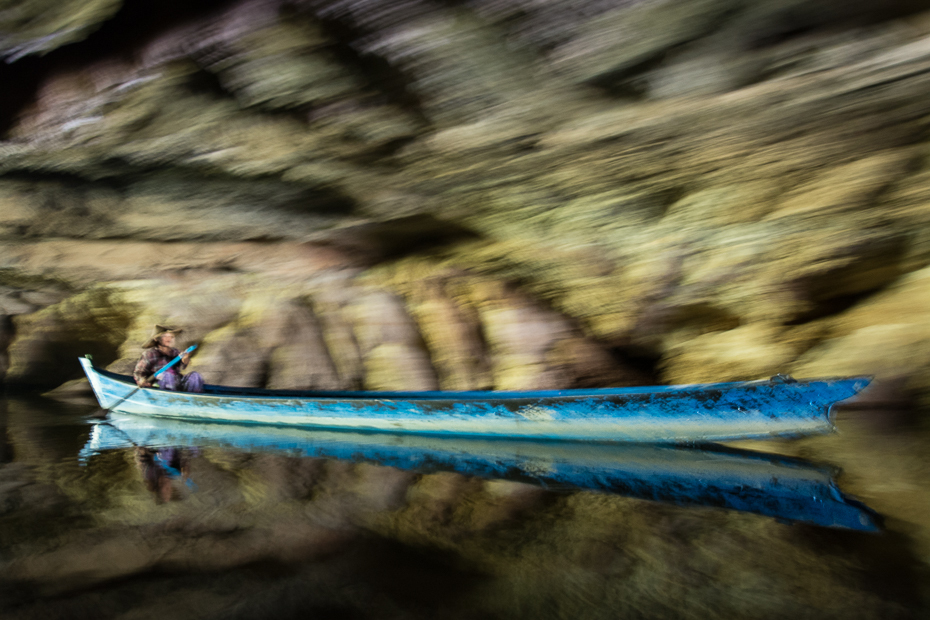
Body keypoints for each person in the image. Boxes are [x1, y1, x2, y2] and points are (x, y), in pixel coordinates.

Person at [133, 324, 204, 392]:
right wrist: (142, 380)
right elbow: (139, 372)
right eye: (165, 336)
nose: (169, 338)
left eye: (171, 336)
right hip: (158, 384)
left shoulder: (176, 352)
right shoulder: (149, 354)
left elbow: (183, 365)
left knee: (195, 376)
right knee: (166, 376)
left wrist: (185, 359)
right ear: (157, 339)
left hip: (176, 383)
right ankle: (171, 398)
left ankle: (193, 398)